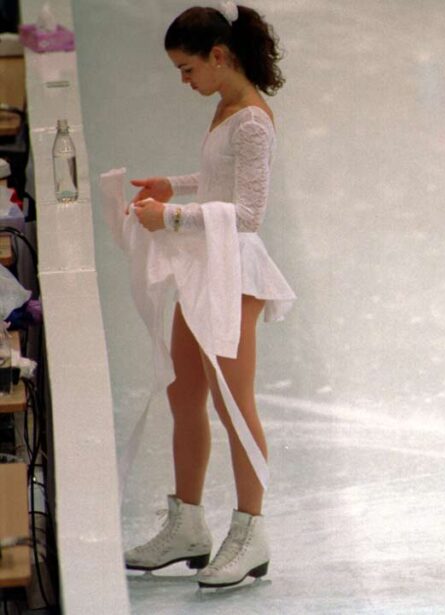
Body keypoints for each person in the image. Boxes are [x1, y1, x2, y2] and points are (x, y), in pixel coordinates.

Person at [122, 1, 296, 589]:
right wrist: (174, 186)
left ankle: (251, 532)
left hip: (233, 273)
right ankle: (188, 525)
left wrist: (170, 216)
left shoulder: (252, 121)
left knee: (233, 404)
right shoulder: (225, 106)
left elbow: (247, 214)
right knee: (184, 392)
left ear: (219, 56)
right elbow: (222, 182)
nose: (184, 80)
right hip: (205, 266)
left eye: (187, 68)